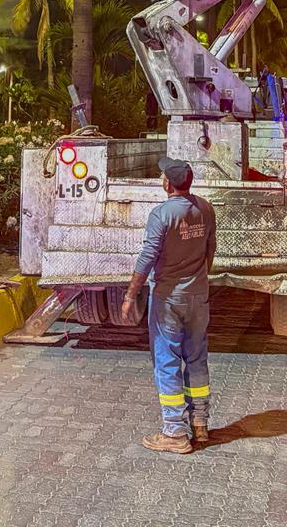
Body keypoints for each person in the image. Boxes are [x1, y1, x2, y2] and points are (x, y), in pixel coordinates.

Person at [121, 155, 216, 454]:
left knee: (167, 361)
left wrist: (130, 295)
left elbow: (147, 258)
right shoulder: (206, 209)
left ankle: (175, 432)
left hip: (167, 299)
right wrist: (198, 280)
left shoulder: (161, 215)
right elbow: (209, 250)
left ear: (167, 183)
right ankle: (200, 425)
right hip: (198, 296)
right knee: (197, 357)